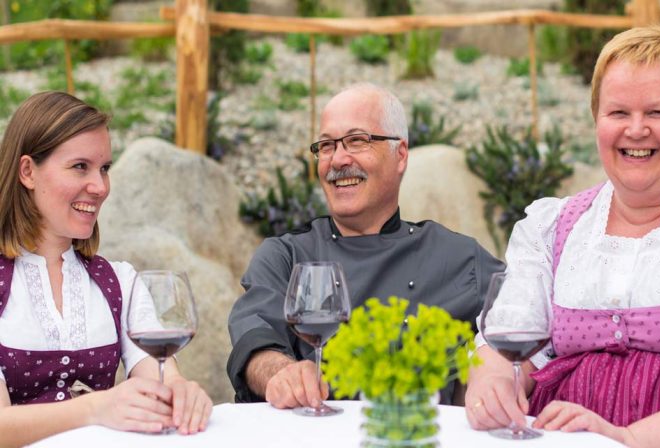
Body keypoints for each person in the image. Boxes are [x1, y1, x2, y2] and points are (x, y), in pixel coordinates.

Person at [465, 26, 660, 447]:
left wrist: (624, 438)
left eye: (657, 113)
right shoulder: (554, 226)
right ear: (597, 123)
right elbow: (506, 345)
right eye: (618, 113)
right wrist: (493, 381)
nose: (636, 129)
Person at [227, 83, 505, 408]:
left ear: (400, 155)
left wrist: (492, 376)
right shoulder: (286, 255)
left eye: (357, 141)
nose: (338, 159)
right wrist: (280, 374)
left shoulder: (458, 258)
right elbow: (255, 335)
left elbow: (530, 324)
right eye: (327, 145)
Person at [0, 91, 213, 446]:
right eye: (80, 166)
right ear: (27, 172)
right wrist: (95, 408)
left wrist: (183, 394)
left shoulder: (120, 281)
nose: (100, 187)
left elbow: (163, 381)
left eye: (105, 169)